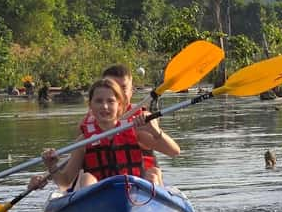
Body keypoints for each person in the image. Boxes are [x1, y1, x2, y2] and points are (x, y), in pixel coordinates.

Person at [45, 78, 180, 188]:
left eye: (110, 101)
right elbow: (65, 181)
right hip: (101, 199)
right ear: (90, 105)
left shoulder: (135, 132)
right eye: (99, 101)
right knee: (87, 178)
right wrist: (52, 166)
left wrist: (155, 131)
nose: (104, 106)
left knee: (153, 174)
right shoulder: (83, 141)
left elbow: (174, 152)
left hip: (135, 195)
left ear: (119, 105)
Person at [77, 64, 171, 181]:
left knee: (154, 173)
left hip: (139, 179)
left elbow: (170, 150)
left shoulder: (144, 118)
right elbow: (80, 158)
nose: (116, 91)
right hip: (101, 181)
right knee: (84, 177)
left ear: (132, 90)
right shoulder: (87, 123)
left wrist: (154, 130)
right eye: (111, 86)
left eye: (123, 88)